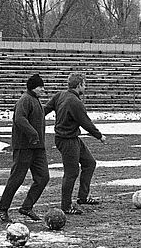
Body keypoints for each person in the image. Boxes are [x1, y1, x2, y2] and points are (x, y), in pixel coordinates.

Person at [44, 72, 106, 215]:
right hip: (67, 140)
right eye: (84, 84)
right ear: (79, 85)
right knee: (71, 172)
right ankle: (66, 206)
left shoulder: (60, 95)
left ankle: (82, 197)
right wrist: (99, 136)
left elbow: (44, 110)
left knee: (89, 163)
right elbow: (85, 122)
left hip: (71, 138)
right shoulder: (75, 102)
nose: (86, 87)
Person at [0, 74, 50, 223]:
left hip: (38, 148)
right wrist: (32, 134)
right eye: (41, 87)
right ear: (33, 87)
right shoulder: (25, 100)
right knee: (17, 178)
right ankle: (2, 208)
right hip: (24, 147)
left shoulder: (35, 100)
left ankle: (27, 207)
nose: (43, 90)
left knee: (43, 177)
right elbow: (19, 118)